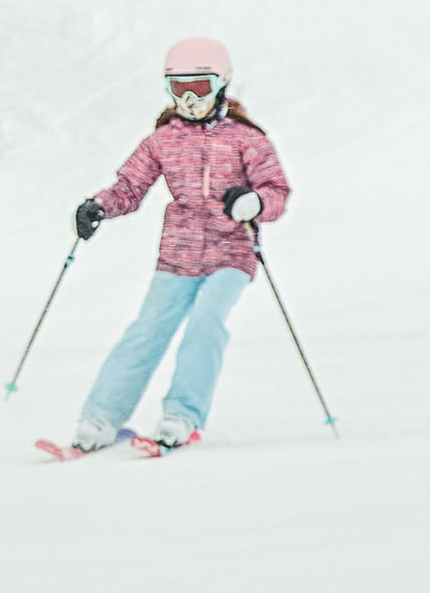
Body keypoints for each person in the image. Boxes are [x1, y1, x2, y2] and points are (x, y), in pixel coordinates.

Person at [41, 37, 292, 460]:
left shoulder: (248, 140)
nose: (190, 99)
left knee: (206, 324)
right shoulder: (163, 140)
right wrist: (99, 206)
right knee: (146, 331)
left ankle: (182, 415)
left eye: (200, 86)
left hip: (232, 252)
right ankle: (100, 419)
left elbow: (277, 191)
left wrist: (255, 203)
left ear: (222, 84)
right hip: (177, 255)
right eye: (180, 89)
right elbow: (130, 186)